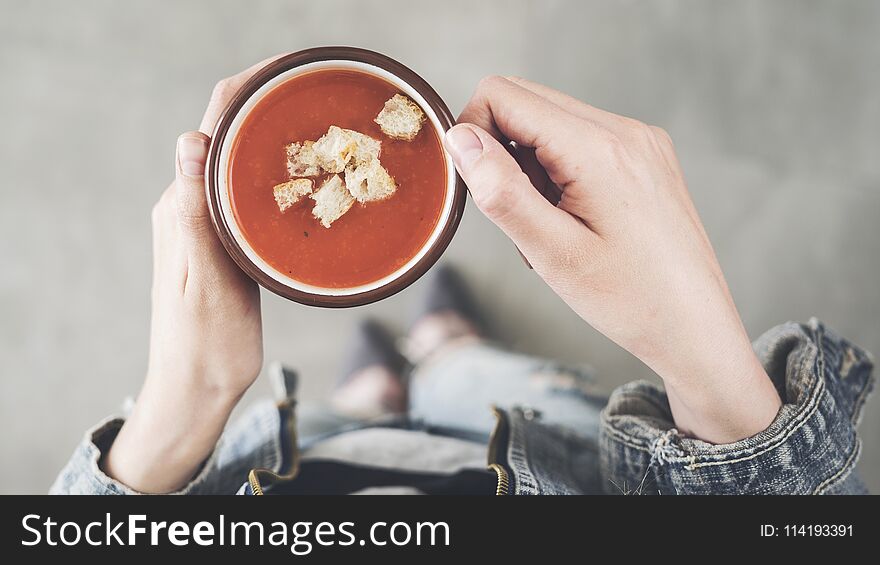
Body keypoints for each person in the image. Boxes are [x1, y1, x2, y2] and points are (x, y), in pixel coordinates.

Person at [52, 57, 874, 495]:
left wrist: (184, 403)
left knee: (351, 412)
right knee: (477, 377)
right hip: (539, 436)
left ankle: (377, 393)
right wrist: (713, 372)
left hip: (298, 458)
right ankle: (447, 353)